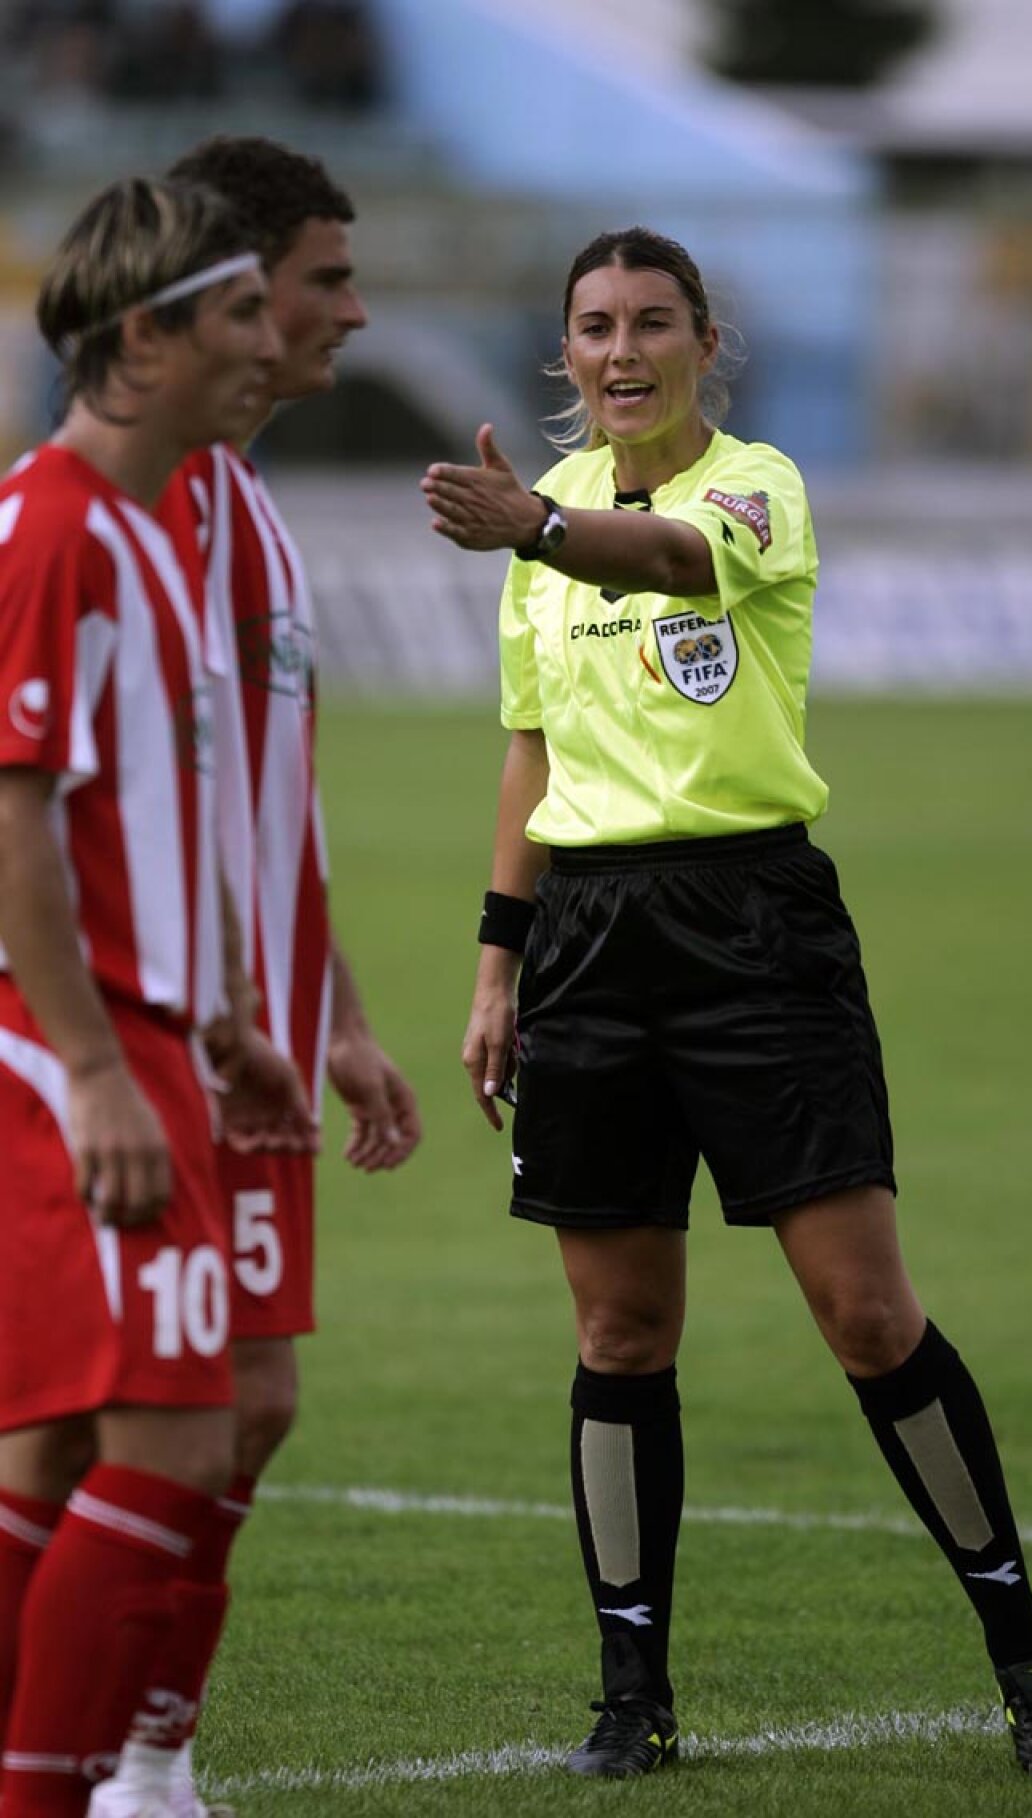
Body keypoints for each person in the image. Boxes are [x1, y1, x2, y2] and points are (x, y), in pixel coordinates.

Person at [421, 227, 1032, 1783]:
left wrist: (532, 525)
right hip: (588, 941)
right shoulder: (550, 532)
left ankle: (1029, 1653)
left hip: (754, 925)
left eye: (652, 322)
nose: (621, 351)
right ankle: (631, 1696)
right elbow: (529, 756)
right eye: (594, 326)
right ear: (565, 350)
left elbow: (664, 559)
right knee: (620, 1325)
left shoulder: (756, 486)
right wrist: (493, 966)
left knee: (866, 1311)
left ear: (704, 342)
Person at [96, 137, 423, 1818]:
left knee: (238, 1409)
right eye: (325, 282)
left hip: (263, 1037)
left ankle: (145, 1753)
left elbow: (256, 808)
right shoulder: (141, 501)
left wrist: (342, 1009)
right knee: (159, 1416)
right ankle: (112, 1757)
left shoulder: (244, 505)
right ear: (233, 292)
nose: (351, 316)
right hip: (161, 1037)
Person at [0, 175, 303, 1818]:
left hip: (158, 1047)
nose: (274, 344)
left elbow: (137, 820)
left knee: (60, 1457)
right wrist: (102, 1070)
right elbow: (11, 812)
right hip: (73, 1064)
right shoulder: (52, 528)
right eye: (244, 314)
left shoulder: (148, 528)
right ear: (148, 335)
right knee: (181, 1446)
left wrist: (228, 1023)